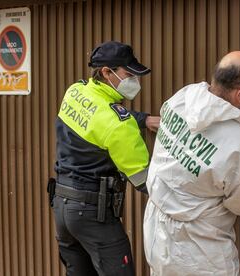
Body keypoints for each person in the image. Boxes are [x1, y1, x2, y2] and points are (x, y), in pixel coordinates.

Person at [143, 51, 240, 276]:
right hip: (198, 249)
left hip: (156, 230)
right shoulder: (238, 144)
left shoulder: (185, 97)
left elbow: (218, 114)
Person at [50, 41, 159, 276]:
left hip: (62, 208)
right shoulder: (120, 126)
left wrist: (143, 119)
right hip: (93, 215)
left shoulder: (75, 91)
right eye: (129, 74)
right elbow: (145, 181)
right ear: (107, 72)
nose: (135, 82)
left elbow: (98, 113)